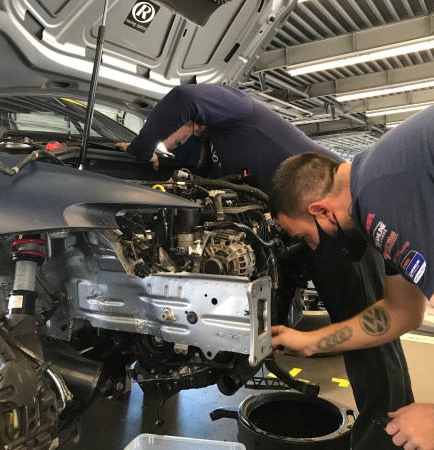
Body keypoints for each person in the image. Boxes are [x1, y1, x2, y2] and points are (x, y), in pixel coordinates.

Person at [120, 83, 414, 449]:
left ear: (193, 122)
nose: (171, 143)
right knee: (366, 341)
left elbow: (183, 98)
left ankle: (388, 439)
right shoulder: (211, 158)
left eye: (173, 136)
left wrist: (140, 148)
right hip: (301, 236)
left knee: (369, 343)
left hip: (337, 224)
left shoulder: (237, 111)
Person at [268, 93, 434, 450]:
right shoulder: (379, 186)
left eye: (305, 238)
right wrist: (309, 342)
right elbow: (401, 311)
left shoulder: (381, 194)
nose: (314, 249)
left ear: (321, 211)